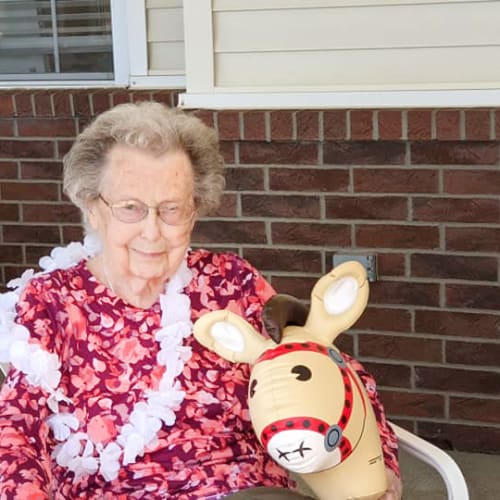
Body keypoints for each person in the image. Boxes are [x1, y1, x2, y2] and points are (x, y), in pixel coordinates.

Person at [0, 102, 402, 499]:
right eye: (130, 208)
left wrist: (377, 464)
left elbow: (331, 369)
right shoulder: (52, 300)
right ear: (92, 207)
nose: (152, 231)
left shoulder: (230, 282)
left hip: (247, 493)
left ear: (195, 212)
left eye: (172, 209)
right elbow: (17, 430)